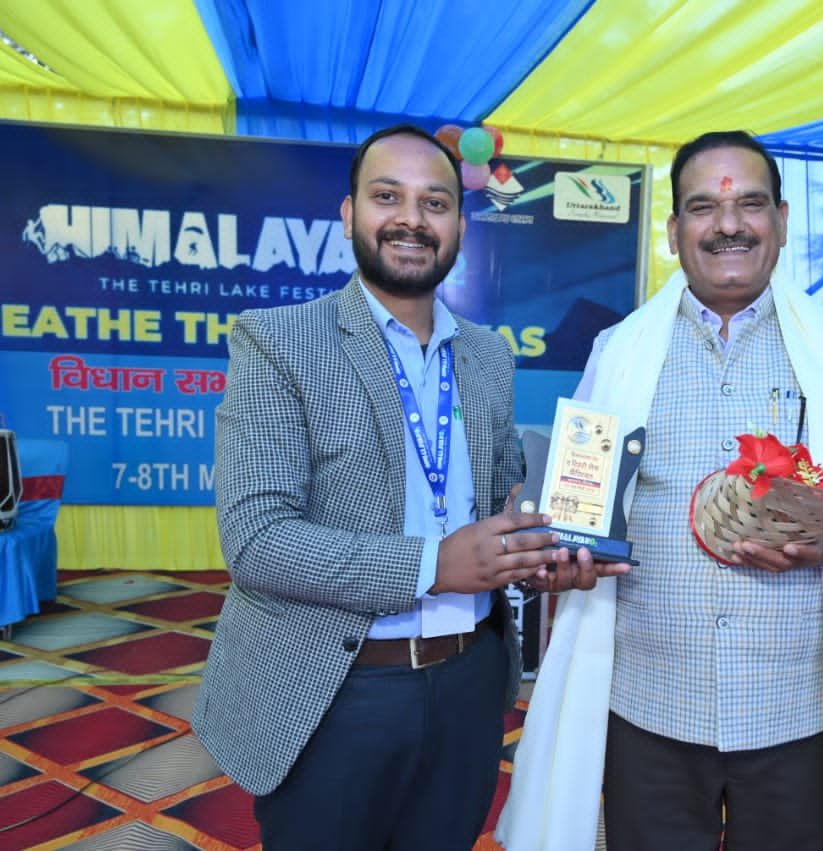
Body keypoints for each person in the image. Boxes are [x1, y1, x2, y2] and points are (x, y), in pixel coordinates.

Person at [497, 131, 823, 851]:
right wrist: (560, 551)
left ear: (782, 222)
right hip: (648, 710)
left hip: (799, 711)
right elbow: (579, 508)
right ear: (675, 232)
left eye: (750, 204)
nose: (728, 224)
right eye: (703, 207)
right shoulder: (619, 350)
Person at [193, 124, 622, 851]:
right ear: (348, 214)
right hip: (334, 689)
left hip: (468, 686)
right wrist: (435, 564)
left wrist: (543, 554)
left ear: (460, 226)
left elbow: (501, 505)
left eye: (436, 203)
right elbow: (257, 543)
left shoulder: (487, 356)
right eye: (387, 196)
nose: (412, 220)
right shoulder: (278, 341)